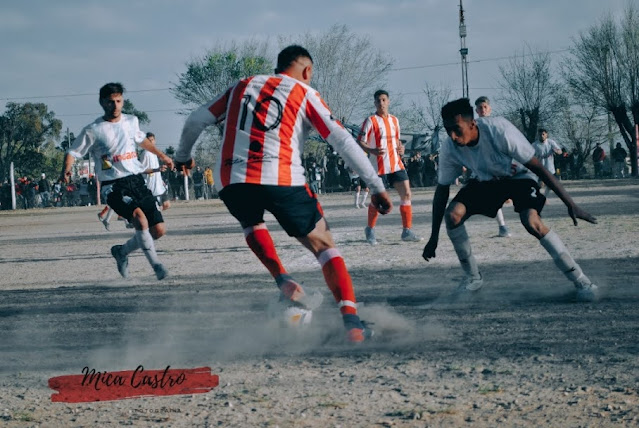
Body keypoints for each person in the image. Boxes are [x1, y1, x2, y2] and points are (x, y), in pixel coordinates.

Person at [174, 45, 392, 343]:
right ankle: (353, 325)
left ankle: (283, 278)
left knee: (252, 223)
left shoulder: (242, 85)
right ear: (307, 71)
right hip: (279, 177)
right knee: (324, 244)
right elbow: (341, 139)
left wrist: (183, 155)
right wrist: (376, 185)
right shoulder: (303, 92)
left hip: (231, 179)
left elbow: (196, 120)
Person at [422, 98, 599, 302]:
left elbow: (538, 168)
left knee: (531, 222)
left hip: (519, 178)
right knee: (453, 215)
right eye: (448, 130)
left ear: (472, 123)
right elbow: (442, 191)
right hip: (487, 182)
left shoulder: (500, 131)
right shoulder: (450, 148)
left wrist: (572, 205)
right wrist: (434, 237)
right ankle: (473, 279)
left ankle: (582, 281)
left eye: (457, 129)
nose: (452, 136)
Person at [60, 82, 174, 280]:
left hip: (136, 181)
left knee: (158, 230)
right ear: (102, 103)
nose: (115, 106)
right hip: (113, 185)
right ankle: (157, 266)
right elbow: (72, 151)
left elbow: (142, 140)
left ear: (123, 101)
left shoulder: (132, 121)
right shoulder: (93, 130)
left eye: (119, 101)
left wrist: (163, 156)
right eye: (110, 102)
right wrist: (66, 170)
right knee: (139, 219)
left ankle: (121, 252)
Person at [358, 90, 421, 244]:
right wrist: (372, 150)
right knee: (377, 200)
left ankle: (407, 231)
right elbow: (360, 141)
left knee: (406, 193)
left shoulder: (395, 120)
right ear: (374, 103)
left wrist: (402, 149)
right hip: (378, 167)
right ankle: (370, 230)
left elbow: (398, 141)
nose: (381, 103)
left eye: (384, 100)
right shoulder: (370, 121)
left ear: (388, 101)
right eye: (378, 101)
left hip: (396, 164)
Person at [474, 96, 511, 238]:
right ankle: (503, 227)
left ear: (489, 109)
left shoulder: (496, 124)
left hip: (498, 163)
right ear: (476, 110)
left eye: (485, 107)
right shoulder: (474, 125)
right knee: (492, 196)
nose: (482, 110)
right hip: (482, 165)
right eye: (480, 108)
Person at [139, 132, 171, 211]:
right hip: (151, 186)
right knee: (157, 208)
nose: (151, 142)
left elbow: (157, 168)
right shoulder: (145, 154)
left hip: (159, 185)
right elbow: (141, 170)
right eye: (149, 140)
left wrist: (161, 180)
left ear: (155, 141)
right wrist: (157, 169)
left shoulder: (154, 153)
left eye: (152, 140)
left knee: (167, 204)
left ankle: (152, 216)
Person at [532, 128, 562, 196]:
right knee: (540, 185)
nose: (542, 136)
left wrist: (557, 151)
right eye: (540, 134)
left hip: (550, 169)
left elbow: (560, 151)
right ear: (538, 135)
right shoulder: (535, 145)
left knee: (552, 185)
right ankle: (536, 195)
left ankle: (544, 197)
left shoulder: (551, 142)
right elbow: (530, 155)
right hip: (541, 168)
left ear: (546, 135)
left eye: (543, 134)